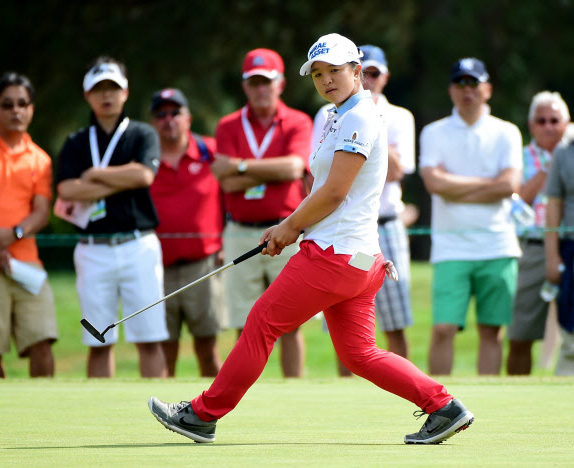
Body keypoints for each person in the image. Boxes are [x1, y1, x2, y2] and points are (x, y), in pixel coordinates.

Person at [149, 33, 474, 445]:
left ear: (357, 71)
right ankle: (444, 407)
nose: (326, 80)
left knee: (261, 324)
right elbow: (330, 188)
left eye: (335, 71)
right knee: (360, 354)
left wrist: (289, 226)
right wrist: (294, 225)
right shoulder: (341, 114)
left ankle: (201, 415)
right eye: (318, 74)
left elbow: (336, 191)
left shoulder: (358, 116)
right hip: (356, 256)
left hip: (333, 255)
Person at [55, 57, 168, 378]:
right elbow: (67, 190)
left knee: (149, 338)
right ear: (87, 95)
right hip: (93, 249)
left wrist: (94, 175)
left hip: (138, 246)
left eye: (113, 88)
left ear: (125, 92)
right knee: (98, 339)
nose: (107, 96)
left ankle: (156, 415)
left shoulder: (142, 134)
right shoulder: (76, 141)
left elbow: (144, 176)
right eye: (99, 89)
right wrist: (119, 178)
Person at [209, 48, 313, 377]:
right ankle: (242, 392)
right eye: (254, 82)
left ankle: (293, 391)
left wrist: (241, 167)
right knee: (243, 322)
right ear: (245, 86)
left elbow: (295, 166)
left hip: (288, 228)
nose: (261, 88)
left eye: (267, 81)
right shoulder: (228, 125)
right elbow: (225, 184)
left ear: (280, 83)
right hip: (240, 231)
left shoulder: (297, 121)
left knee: (291, 323)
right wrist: (274, 172)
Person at [312, 44, 415, 373]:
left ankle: (404, 389)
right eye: (363, 72)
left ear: (384, 76)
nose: (368, 79)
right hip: (339, 228)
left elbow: (397, 171)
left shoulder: (398, 116)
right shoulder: (326, 114)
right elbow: (319, 173)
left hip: (386, 223)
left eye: (374, 73)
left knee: (395, 322)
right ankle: (347, 394)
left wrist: (371, 123)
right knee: (343, 322)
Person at [419, 58, 523, 375]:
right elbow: (434, 184)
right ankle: (438, 405)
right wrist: (489, 186)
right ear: (451, 90)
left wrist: (455, 185)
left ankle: (486, 402)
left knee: (492, 331)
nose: (468, 91)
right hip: (451, 247)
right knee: (443, 329)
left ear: (487, 89)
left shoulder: (507, 132)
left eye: (474, 84)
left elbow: (510, 185)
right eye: (461, 84)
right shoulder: (433, 132)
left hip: (498, 245)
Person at [149, 88, 224, 377]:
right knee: (164, 350)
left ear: (188, 117)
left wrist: (226, 238)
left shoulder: (209, 150)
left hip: (203, 265)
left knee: (208, 347)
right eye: (161, 114)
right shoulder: (146, 156)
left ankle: (212, 410)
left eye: (175, 112)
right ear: (154, 122)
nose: (168, 119)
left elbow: (231, 196)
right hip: (158, 268)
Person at [0, 72, 58, 378]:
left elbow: (41, 212)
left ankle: (44, 420)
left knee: (43, 341)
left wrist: (14, 234)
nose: (16, 110)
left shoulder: (40, 159)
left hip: (26, 264)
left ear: (31, 109)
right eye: (7, 104)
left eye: (23, 103)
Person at [507, 92, 570, 375]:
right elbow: (513, 202)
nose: (548, 127)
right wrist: (549, 171)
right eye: (541, 121)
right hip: (530, 247)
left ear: (566, 123)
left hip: (569, 245)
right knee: (520, 334)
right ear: (531, 125)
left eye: (554, 121)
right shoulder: (519, 157)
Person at [545, 124, 574, 375]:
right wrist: (552, 255)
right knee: (571, 328)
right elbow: (554, 202)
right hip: (571, 245)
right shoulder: (565, 150)